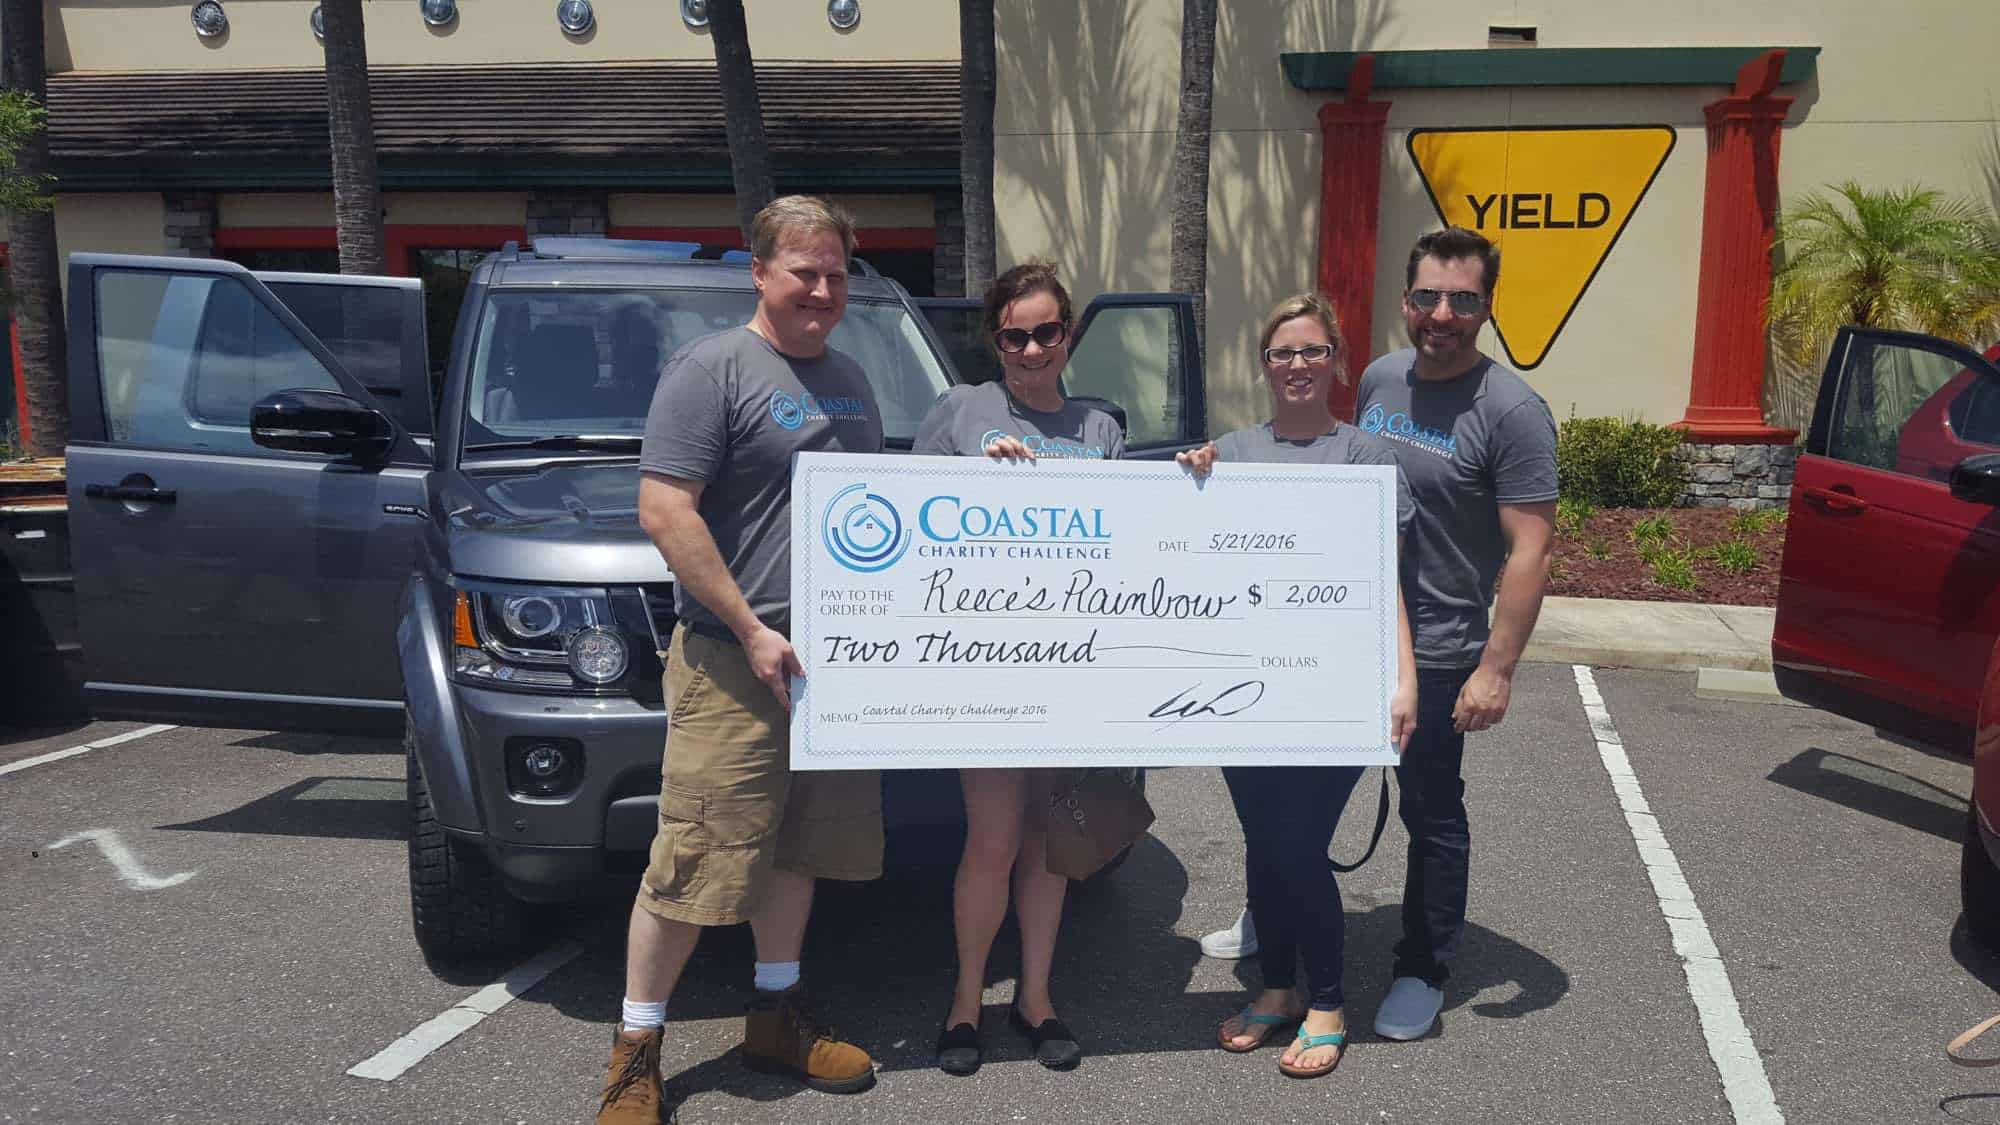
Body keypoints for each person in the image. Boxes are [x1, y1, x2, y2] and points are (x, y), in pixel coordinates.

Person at [596, 195, 886, 1124]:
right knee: (695, 858)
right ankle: (637, 1048)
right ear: (758, 273)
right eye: (804, 272)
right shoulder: (710, 369)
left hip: (829, 672)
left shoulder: (851, 379)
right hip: (732, 662)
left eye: (836, 274)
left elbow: (880, 509)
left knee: (798, 847)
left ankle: (776, 1015)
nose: (823, 290)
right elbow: (664, 509)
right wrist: (753, 628)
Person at [1175, 293, 1418, 1077]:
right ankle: (1278, 987)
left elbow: (1385, 580)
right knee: (1263, 840)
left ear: (1337, 361)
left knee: (1297, 842)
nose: (1298, 364)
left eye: (1313, 349)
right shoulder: (1230, 452)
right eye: (1283, 352)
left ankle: (1328, 1000)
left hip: (1334, 691)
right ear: (1265, 365)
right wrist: (1186, 483)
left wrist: (1405, 678)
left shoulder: (1365, 459)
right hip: (1245, 691)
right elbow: (1181, 550)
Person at [912, 261, 1124, 1077]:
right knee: (993, 838)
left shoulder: (1100, 427)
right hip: (986, 664)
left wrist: (1195, 478)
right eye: (1014, 336)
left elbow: (1132, 537)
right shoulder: (961, 410)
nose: (1032, 349)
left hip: (1074, 666)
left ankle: (1035, 996)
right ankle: (966, 999)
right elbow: (908, 516)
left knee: (1048, 840)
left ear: (1068, 333)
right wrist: (973, 478)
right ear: (993, 340)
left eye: (1047, 332)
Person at [1358, 227, 1558, 1041]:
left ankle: (1422, 966)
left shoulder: (1511, 411)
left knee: (1432, 813)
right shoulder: (1379, 377)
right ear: (1407, 300)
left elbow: (1531, 549)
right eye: (1428, 296)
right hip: (1350, 632)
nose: (1442, 314)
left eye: (1463, 299)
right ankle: (1277, 911)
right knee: (1301, 789)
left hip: (1440, 649)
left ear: (1487, 306)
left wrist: (1496, 669)